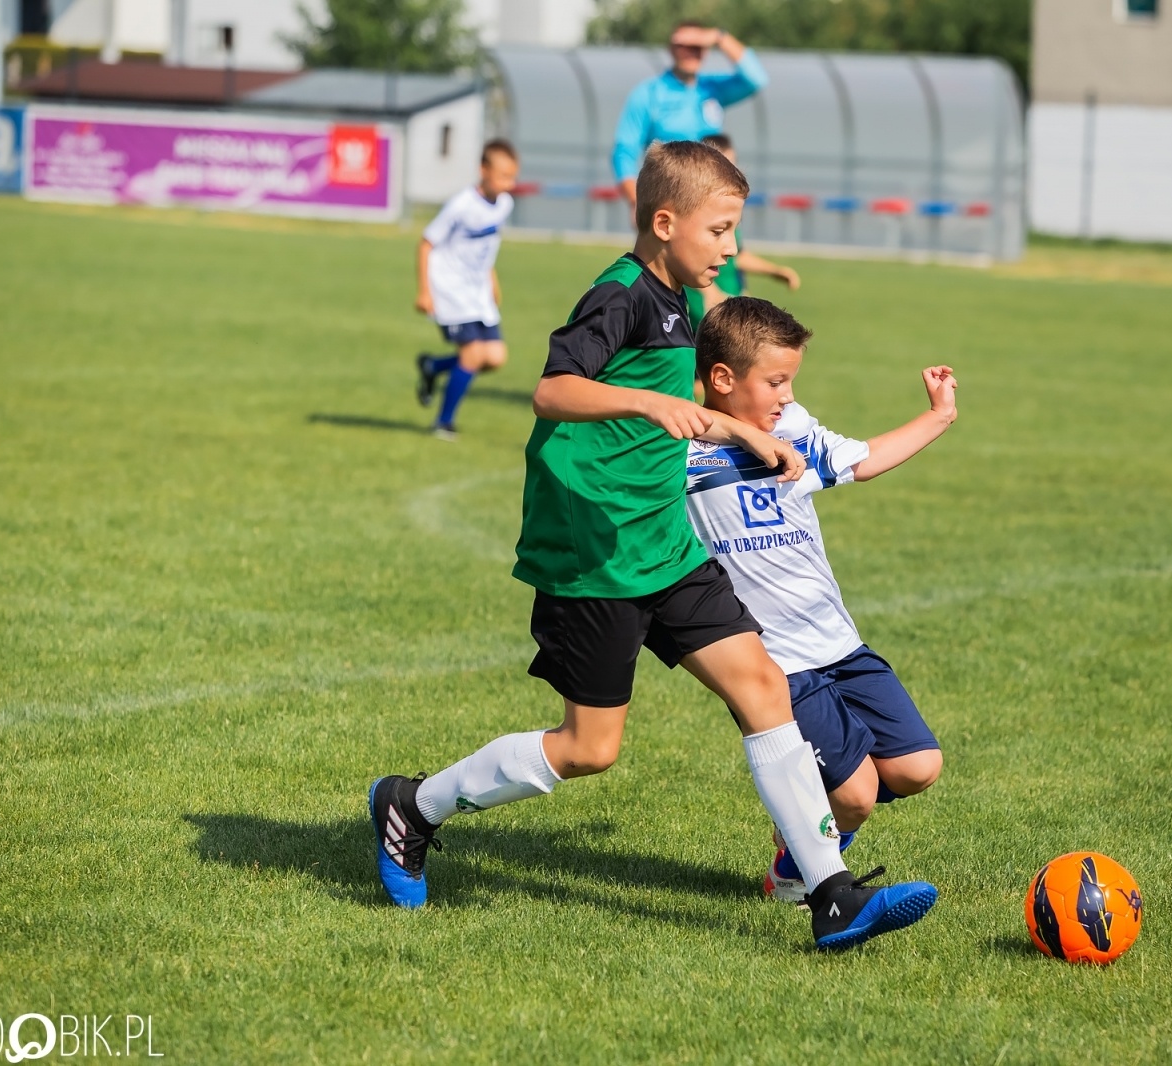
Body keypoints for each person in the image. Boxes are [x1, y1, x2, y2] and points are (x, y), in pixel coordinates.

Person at [370, 141, 938, 951]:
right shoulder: (622, 294)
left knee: (762, 686)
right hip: (596, 550)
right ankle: (412, 806)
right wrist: (642, 403)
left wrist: (743, 427)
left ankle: (831, 896)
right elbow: (552, 390)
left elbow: (690, 406)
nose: (732, 248)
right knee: (588, 749)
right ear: (665, 224)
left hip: (664, 543)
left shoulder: (682, 303)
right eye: (721, 230)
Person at [684, 296, 956, 902]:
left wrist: (938, 416)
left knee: (918, 767)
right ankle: (796, 867)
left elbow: (861, 461)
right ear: (722, 379)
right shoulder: (684, 451)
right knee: (856, 795)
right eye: (774, 380)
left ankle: (809, 813)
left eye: (791, 381)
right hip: (775, 657)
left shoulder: (794, 427)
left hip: (837, 638)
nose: (785, 394)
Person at [413, 139, 520, 440]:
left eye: (512, 177)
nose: (508, 184)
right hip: (450, 289)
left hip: (477, 290)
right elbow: (426, 243)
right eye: (502, 176)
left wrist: (492, 281)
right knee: (472, 355)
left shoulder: (504, 205)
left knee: (495, 356)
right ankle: (443, 423)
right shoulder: (461, 205)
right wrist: (424, 291)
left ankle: (433, 366)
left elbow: (485, 249)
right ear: (482, 170)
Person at [612, 21, 767, 214]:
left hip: (711, 195)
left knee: (732, 244)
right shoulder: (649, 93)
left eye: (697, 46)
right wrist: (636, 202)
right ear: (671, 48)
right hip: (668, 197)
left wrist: (720, 37)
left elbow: (756, 78)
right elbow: (624, 151)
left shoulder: (711, 88)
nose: (690, 52)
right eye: (683, 46)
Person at [684, 133, 801, 331]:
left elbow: (738, 256)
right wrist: (710, 293)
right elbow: (682, 255)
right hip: (709, 307)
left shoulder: (727, 210)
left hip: (730, 302)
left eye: (733, 164)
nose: (732, 172)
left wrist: (775, 272)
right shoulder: (695, 212)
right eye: (724, 165)